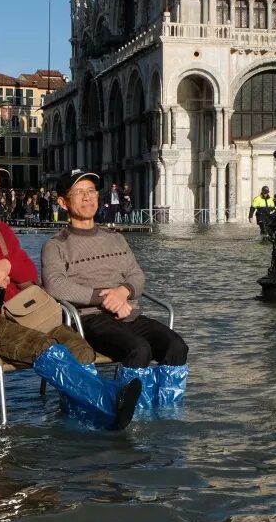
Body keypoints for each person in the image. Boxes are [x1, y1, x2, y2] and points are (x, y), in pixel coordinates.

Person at [0, 157, 141, 430]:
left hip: (17, 312)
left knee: (78, 346)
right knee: (44, 346)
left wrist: (7, 263)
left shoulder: (1, 230)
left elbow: (29, 274)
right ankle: (107, 401)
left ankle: (84, 416)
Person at [43, 169, 188, 409]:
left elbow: (136, 275)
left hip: (127, 311)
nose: (87, 198)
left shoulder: (116, 238)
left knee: (177, 346)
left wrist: (123, 293)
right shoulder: (55, 245)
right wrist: (102, 298)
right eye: (79, 193)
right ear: (62, 202)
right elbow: (55, 285)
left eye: (91, 191)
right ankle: (128, 411)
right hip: (89, 319)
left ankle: (167, 410)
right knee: (139, 349)